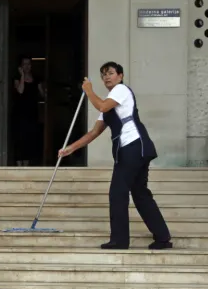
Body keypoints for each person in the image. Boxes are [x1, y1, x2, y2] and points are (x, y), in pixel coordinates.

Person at [58, 62, 173, 250]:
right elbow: (94, 132)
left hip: (133, 147)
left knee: (118, 193)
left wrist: (88, 90)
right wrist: (71, 148)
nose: (106, 77)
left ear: (120, 76)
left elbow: (102, 106)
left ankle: (119, 240)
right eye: (103, 74)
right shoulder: (109, 103)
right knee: (140, 193)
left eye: (111, 73)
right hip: (130, 150)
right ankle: (162, 237)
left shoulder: (120, 91)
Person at [11, 56, 45, 166]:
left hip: (32, 112)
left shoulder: (36, 78)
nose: (27, 66)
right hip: (20, 112)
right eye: (24, 64)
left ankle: (26, 164)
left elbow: (43, 94)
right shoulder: (17, 78)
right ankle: (18, 163)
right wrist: (22, 76)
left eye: (29, 64)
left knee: (30, 137)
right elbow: (20, 90)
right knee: (19, 136)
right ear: (20, 66)